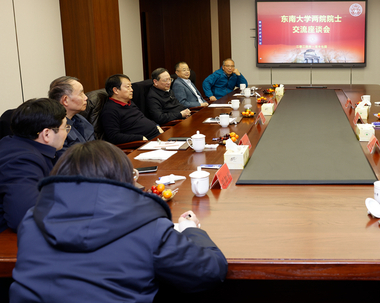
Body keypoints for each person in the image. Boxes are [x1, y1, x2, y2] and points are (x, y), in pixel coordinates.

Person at [10, 140, 227, 302]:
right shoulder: (147, 225)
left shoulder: (32, 219)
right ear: (123, 177)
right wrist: (191, 231)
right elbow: (210, 271)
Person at [0, 98, 68, 233]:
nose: (67, 133)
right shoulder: (22, 160)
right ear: (46, 134)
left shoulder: (16, 142)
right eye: (65, 127)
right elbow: (24, 216)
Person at [100, 74, 162, 144]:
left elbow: (142, 118)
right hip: (144, 143)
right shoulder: (109, 111)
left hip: (157, 135)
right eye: (128, 87)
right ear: (116, 90)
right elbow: (114, 137)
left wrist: (156, 126)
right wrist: (140, 138)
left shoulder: (129, 102)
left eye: (131, 86)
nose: (132, 90)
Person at [48, 76, 95, 152]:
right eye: (81, 94)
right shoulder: (56, 128)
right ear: (65, 100)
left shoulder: (81, 119)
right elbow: (65, 157)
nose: (86, 97)